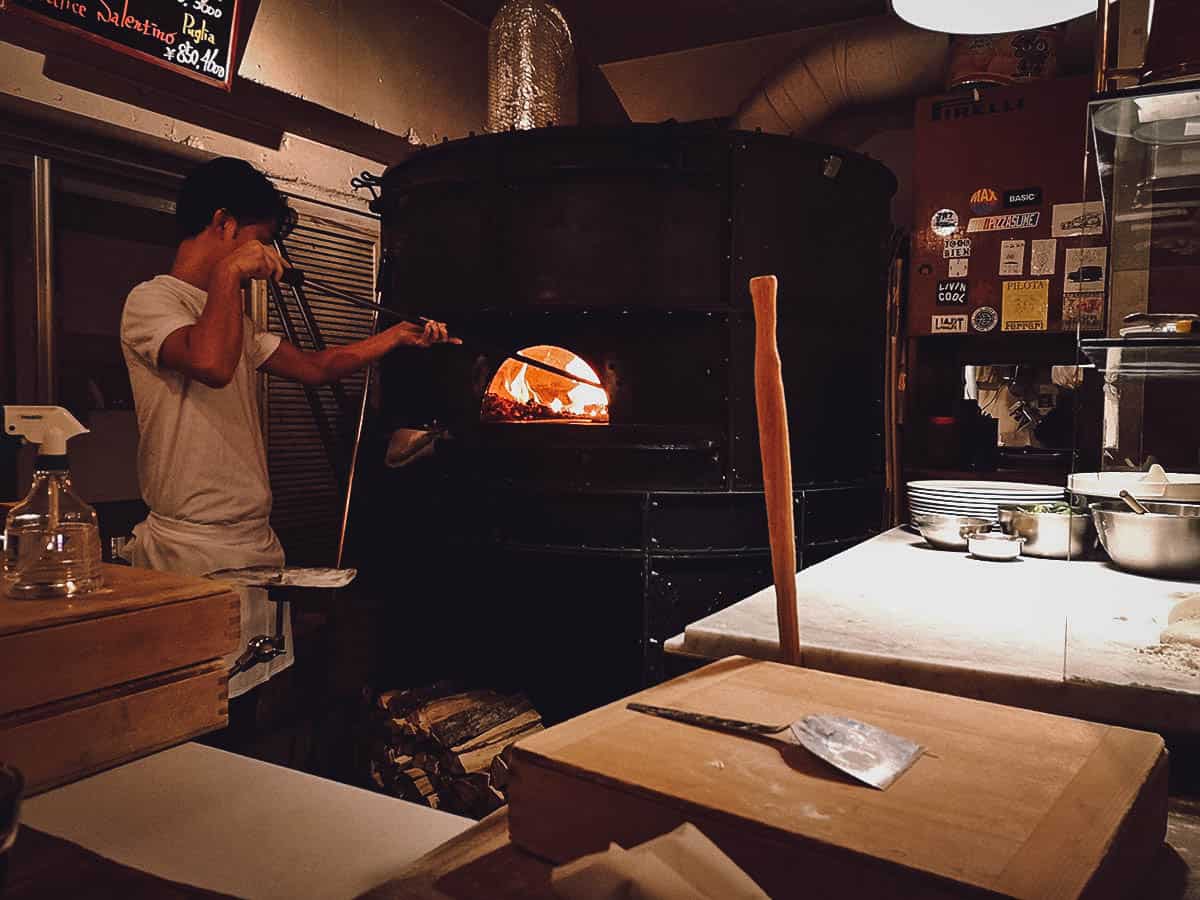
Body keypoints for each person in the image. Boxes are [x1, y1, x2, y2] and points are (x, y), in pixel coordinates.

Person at [120, 157, 457, 699]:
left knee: (257, 707)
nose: (269, 256)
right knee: (202, 712)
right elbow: (210, 364)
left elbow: (317, 367)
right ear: (223, 223)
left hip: (253, 543)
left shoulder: (230, 316)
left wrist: (395, 337)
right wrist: (231, 273)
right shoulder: (151, 301)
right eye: (260, 239)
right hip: (190, 552)